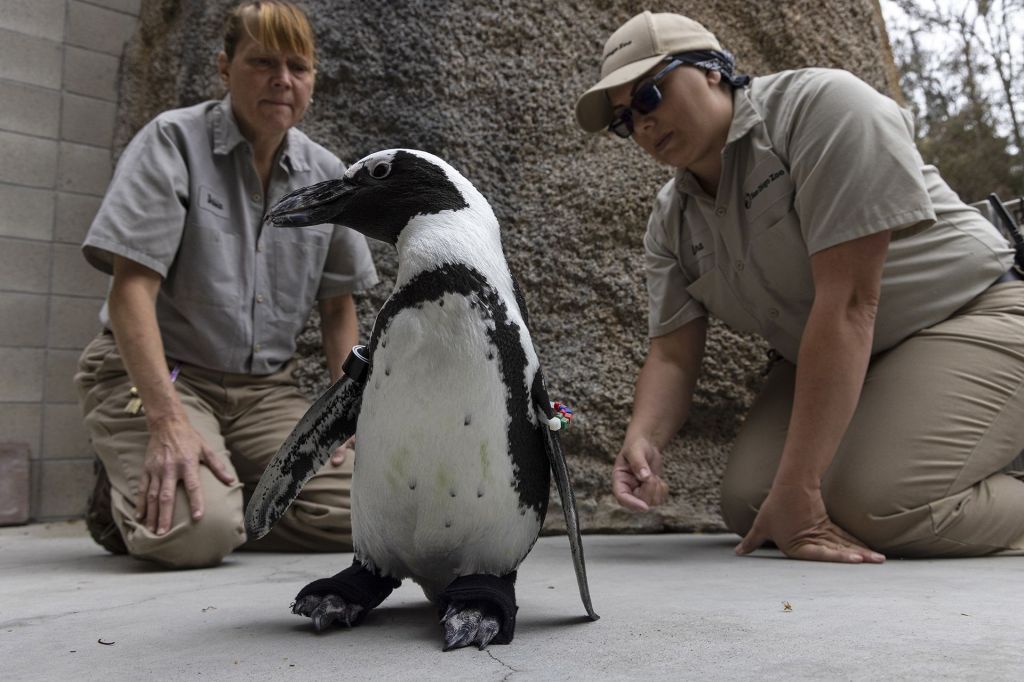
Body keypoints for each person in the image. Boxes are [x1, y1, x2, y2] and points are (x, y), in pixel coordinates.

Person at [575, 11, 1024, 562]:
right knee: (751, 504)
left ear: (712, 70)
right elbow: (671, 353)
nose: (641, 125)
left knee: (878, 505)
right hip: (859, 353)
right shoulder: (671, 219)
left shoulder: (824, 109)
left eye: (648, 95)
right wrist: (643, 440)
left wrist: (803, 490)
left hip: (971, 313)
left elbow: (851, 303)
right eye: (624, 119)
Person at [75, 0, 378, 568]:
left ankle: (226, 485)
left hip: (264, 394)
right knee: (196, 535)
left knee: (371, 511)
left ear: (313, 79)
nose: (282, 80)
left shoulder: (329, 176)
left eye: (298, 67)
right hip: (166, 379)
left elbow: (338, 310)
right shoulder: (171, 142)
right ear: (223, 67)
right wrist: (167, 421)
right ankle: (157, 489)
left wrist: (346, 417)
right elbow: (130, 291)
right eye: (263, 62)